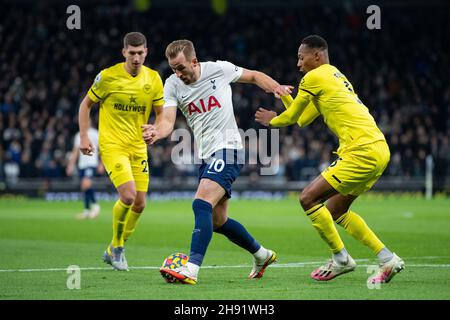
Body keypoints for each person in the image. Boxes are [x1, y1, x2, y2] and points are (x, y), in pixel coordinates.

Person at [255, 35, 405, 285]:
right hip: (378, 149)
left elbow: (291, 118)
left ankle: (341, 259)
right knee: (337, 209)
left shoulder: (314, 77)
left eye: (301, 58)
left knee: (308, 198)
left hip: (361, 151)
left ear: (317, 55)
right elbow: (303, 119)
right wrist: (282, 94)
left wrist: (273, 120)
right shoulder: (333, 76)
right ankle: (387, 258)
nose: (298, 65)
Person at [143, 39, 292, 284]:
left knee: (200, 203)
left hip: (230, 149)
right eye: (173, 68)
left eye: (181, 67)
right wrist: (156, 133)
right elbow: (167, 122)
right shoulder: (172, 85)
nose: (178, 73)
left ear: (194, 61)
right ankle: (262, 254)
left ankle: (191, 268)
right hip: (208, 155)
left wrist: (275, 87)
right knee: (218, 221)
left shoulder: (218, 69)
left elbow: (253, 76)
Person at [78, 32, 165, 271]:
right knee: (127, 196)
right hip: (113, 145)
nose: (136, 58)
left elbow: (161, 114)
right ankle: (117, 248)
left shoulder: (154, 79)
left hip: (138, 147)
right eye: (132, 53)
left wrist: (155, 129)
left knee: (140, 204)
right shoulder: (107, 76)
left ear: (146, 52)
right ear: (124, 52)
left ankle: (111, 250)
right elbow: (85, 105)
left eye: (140, 53)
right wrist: (84, 136)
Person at [66, 120, 102, 219]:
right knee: (84, 187)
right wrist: (71, 165)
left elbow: (102, 149)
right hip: (82, 165)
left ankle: (95, 206)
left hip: (91, 163)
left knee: (86, 184)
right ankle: (86, 211)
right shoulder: (79, 135)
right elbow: (75, 151)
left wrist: (101, 163)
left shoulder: (95, 133)